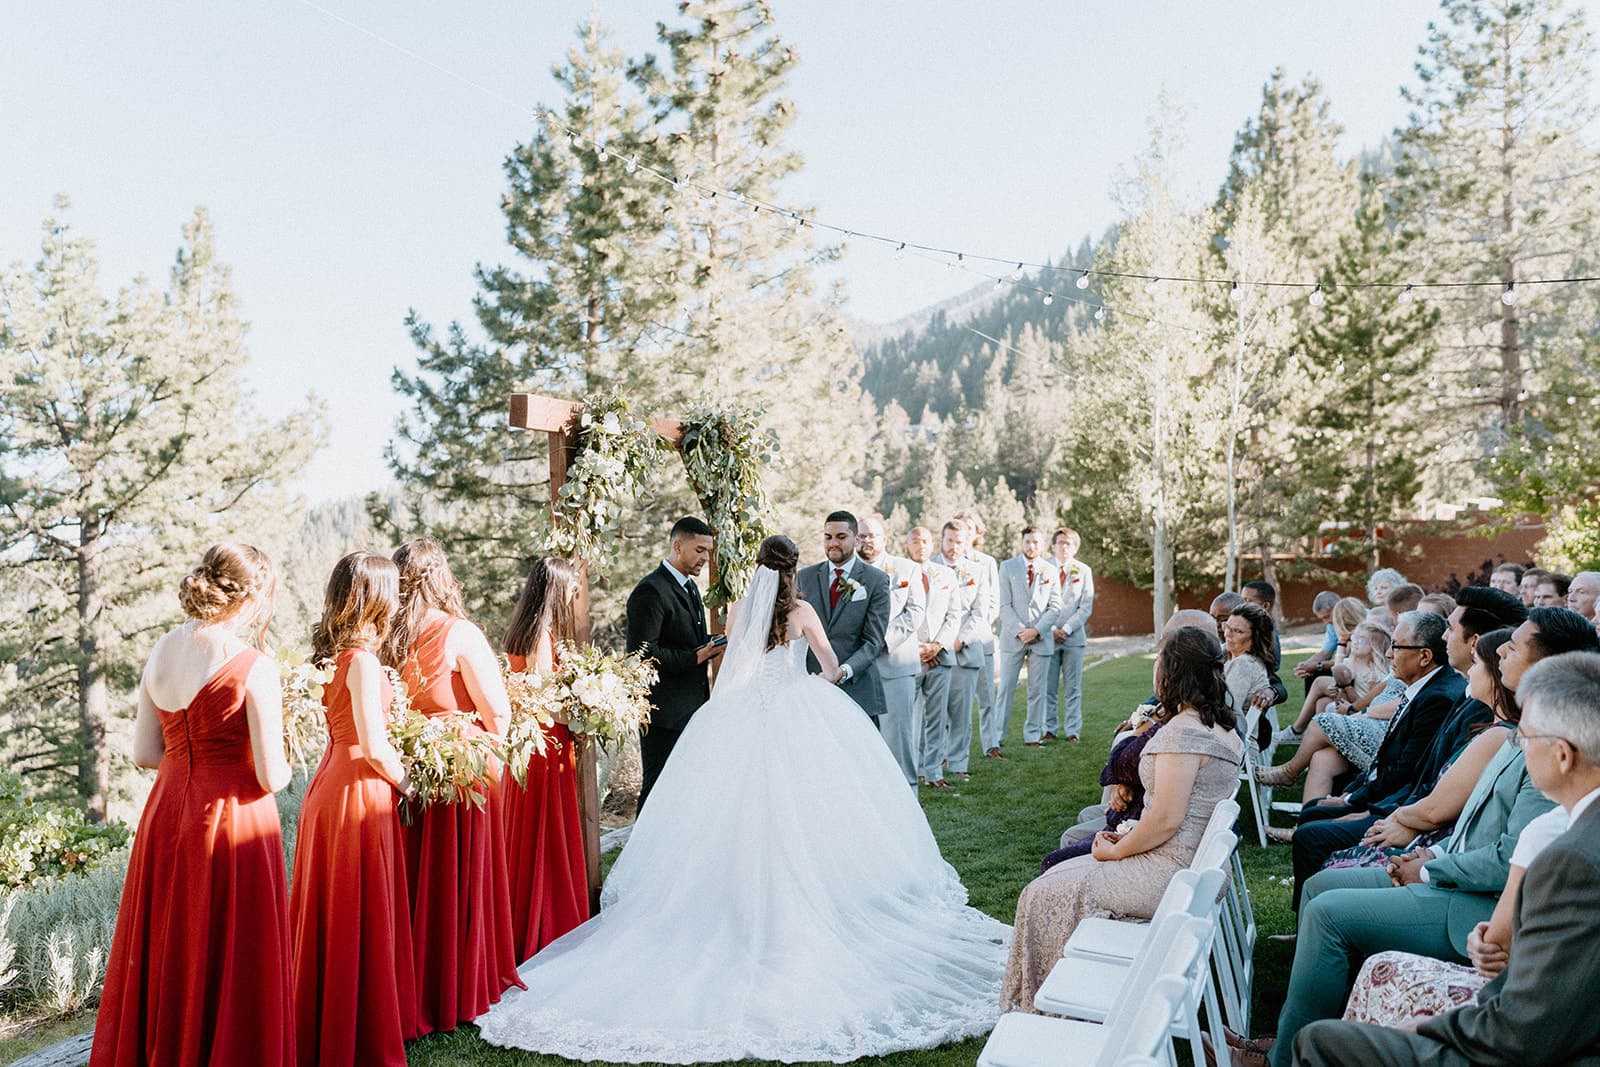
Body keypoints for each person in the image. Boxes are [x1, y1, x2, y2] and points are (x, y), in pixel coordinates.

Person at [474, 535, 1011, 1062]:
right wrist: (815, 680)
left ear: (758, 568)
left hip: (741, 713)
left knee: (732, 814)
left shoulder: (739, 611)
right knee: (813, 813)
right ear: (793, 569)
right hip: (797, 712)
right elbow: (828, 668)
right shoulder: (801, 611)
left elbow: (733, 669)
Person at [1292, 652, 1600, 1067]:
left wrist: (1429, 1027)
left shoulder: (1574, 858)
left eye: (1526, 738)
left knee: (1319, 1042)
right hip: (1530, 1017)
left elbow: (1526, 1028)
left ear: (1562, 755)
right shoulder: (1576, 837)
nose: (1519, 747)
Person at [91, 544, 294, 1067]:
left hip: (165, 813)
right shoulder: (253, 666)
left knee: (170, 942)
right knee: (230, 950)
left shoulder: (161, 650)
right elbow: (272, 776)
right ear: (250, 599)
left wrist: (190, 760)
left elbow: (144, 753)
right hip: (231, 818)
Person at [999, 626, 1242, 1013]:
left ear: (1172, 671)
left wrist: (1117, 851)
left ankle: (1050, 1008)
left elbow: (1166, 819)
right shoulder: (1220, 728)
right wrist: (1123, 839)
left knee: (1042, 893)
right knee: (1054, 877)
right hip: (1185, 865)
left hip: (1171, 871)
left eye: (1160, 659)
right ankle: (1063, 996)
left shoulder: (1183, 733)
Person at [383, 538, 521, 1035]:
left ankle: (418, 983)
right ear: (442, 578)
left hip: (409, 773)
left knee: (421, 880)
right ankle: (461, 983)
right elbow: (497, 713)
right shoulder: (459, 633)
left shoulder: (386, 639)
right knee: (459, 879)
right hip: (462, 772)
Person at [289, 552, 417, 1067]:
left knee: (336, 910)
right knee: (354, 908)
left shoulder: (334, 657)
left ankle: (329, 1022)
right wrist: (411, 784)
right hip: (356, 789)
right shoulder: (361, 662)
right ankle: (356, 1031)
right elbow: (375, 746)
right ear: (377, 598)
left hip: (329, 785)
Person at [1285, 612, 1466, 909]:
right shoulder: (1423, 688)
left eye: (1397, 646)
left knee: (1311, 835)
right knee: (1313, 811)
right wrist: (1349, 795)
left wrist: (1362, 808)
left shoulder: (1438, 697)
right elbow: (1384, 759)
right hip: (1387, 797)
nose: (1389, 654)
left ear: (1424, 656)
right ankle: (1310, 913)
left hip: (1397, 807)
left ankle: (1316, 916)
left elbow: (1407, 773)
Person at [502, 556, 589, 961]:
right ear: (556, 590)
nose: (574, 595)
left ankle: (537, 917)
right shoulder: (540, 637)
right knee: (545, 835)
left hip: (538, 743)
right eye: (570, 589)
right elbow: (543, 701)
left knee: (539, 833)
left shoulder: (527, 630)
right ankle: (548, 924)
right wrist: (585, 714)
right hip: (546, 744)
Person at [625, 517, 720, 812]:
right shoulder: (651, 591)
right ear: (678, 546)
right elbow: (641, 653)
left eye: (708, 552)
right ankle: (643, 843)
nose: (706, 558)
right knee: (657, 789)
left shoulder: (690, 587)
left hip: (692, 706)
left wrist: (714, 642)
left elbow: (685, 639)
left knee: (685, 789)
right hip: (663, 712)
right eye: (700, 550)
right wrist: (696, 657)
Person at [857, 514, 927, 785]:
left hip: (896, 665)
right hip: (858, 669)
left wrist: (881, 641)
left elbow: (915, 612)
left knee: (899, 740)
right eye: (861, 536)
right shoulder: (847, 573)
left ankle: (908, 796)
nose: (866, 541)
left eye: (872, 535)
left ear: (884, 538)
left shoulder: (907, 569)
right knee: (862, 742)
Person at [801, 510, 892, 718]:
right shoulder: (804, 577)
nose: (833, 543)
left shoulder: (876, 580)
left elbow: (873, 642)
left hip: (857, 688)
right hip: (812, 685)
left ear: (857, 539)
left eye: (841, 537)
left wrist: (842, 671)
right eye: (828, 537)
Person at [906, 526, 964, 789]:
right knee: (908, 718)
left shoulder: (946, 575)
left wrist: (937, 645)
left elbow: (954, 615)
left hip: (940, 657)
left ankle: (933, 772)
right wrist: (917, 648)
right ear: (907, 545)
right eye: (915, 541)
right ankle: (912, 770)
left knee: (937, 718)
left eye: (925, 541)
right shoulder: (897, 573)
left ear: (933, 544)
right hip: (909, 658)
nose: (921, 545)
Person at [996, 526, 1063, 750]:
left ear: (1042, 545)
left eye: (1036, 542)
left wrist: (1036, 631)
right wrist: (1020, 631)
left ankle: (1032, 736)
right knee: (1005, 689)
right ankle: (996, 737)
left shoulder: (1050, 570)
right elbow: (1004, 605)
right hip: (1012, 639)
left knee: (1037, 691)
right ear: (1022, 543)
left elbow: (1055, 606)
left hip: (1041, 639)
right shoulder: (1007, 567)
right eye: (1027, 541)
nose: (1031, 546)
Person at [933, 520, 989, 779]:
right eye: (950, 540)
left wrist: (960, 640)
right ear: (942, 539)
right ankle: (930, 764)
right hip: (934, 654)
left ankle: (957, 764)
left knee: (961, 715)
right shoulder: (928, 567)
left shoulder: (977, 572)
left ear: (967, 543)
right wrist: (936, 643)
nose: (954, 547)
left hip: (964, 653)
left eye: (959, 542)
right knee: (932, 714)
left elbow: (980, 613)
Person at [953, 509, 1003, 758]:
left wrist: (973, 631)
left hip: (980, 639)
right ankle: (948, 752)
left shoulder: (986, 562)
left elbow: (992, 604)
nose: (966, 531)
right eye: (961, 526)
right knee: (953, 701)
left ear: (976, 533)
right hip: (950, 641)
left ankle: (991, 745)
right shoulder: (942, 562)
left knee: (986, 697)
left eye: (970, 527)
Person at [1045, 527, 1095, 743]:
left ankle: (1073, 730)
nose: (1064, 547)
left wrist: (1066, 629)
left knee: (1073, 687)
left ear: (1075, 547)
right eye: (1060, 543)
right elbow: (1037, 604)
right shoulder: (1044, 568)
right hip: (1047, 636)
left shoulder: (1083, 570)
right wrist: (1050, 629)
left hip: (1073, 639)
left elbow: (1085, 606)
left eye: (1069, 544)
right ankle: (1049, 729)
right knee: (1048, 688)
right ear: (1053, 546)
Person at [1224, 602, 1276, 721]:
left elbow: (1227, 711)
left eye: (1238, 631)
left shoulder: (1243, 664)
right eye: (1227, 627)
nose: (1227, 634)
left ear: (1255, 637)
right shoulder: (1237, 657)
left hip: (1234, 730)